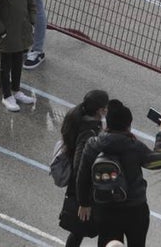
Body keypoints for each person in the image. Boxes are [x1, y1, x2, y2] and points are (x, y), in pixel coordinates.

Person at [76, 100, 161, 246]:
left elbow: (83, 175)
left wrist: (83, 203)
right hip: (135, 210)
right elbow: (158, 162)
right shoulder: (134, 146)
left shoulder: (93, 144)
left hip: (106, 208)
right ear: (128, 125)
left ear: (108, 124)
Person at [58, 89, 110, 247]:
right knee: (89, 229)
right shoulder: (88, 133)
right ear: (101, 110)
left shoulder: (83, 121)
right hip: (85, 191)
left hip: (83, 190)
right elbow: (80, 165)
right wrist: (84, 202)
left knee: (78, 231)